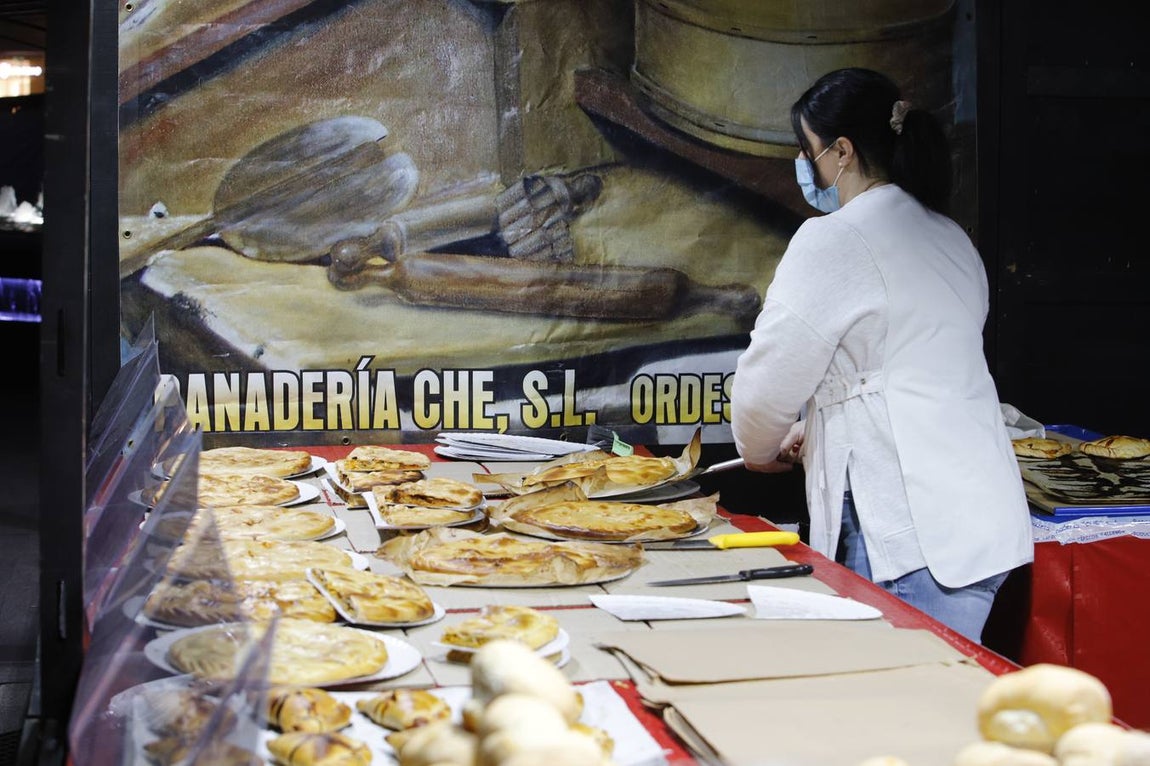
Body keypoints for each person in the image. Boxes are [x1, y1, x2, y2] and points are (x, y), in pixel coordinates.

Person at [729, 68, 1033, 642]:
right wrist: (816, 426)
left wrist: (762, 448)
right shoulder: (951, 237)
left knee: (899, 708)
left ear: (841, 151)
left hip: (912, 534)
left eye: (808, 151)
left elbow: (766, 386)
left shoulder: (834, 239)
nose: (806, 167)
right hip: (983, 524)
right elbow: (901, 375)